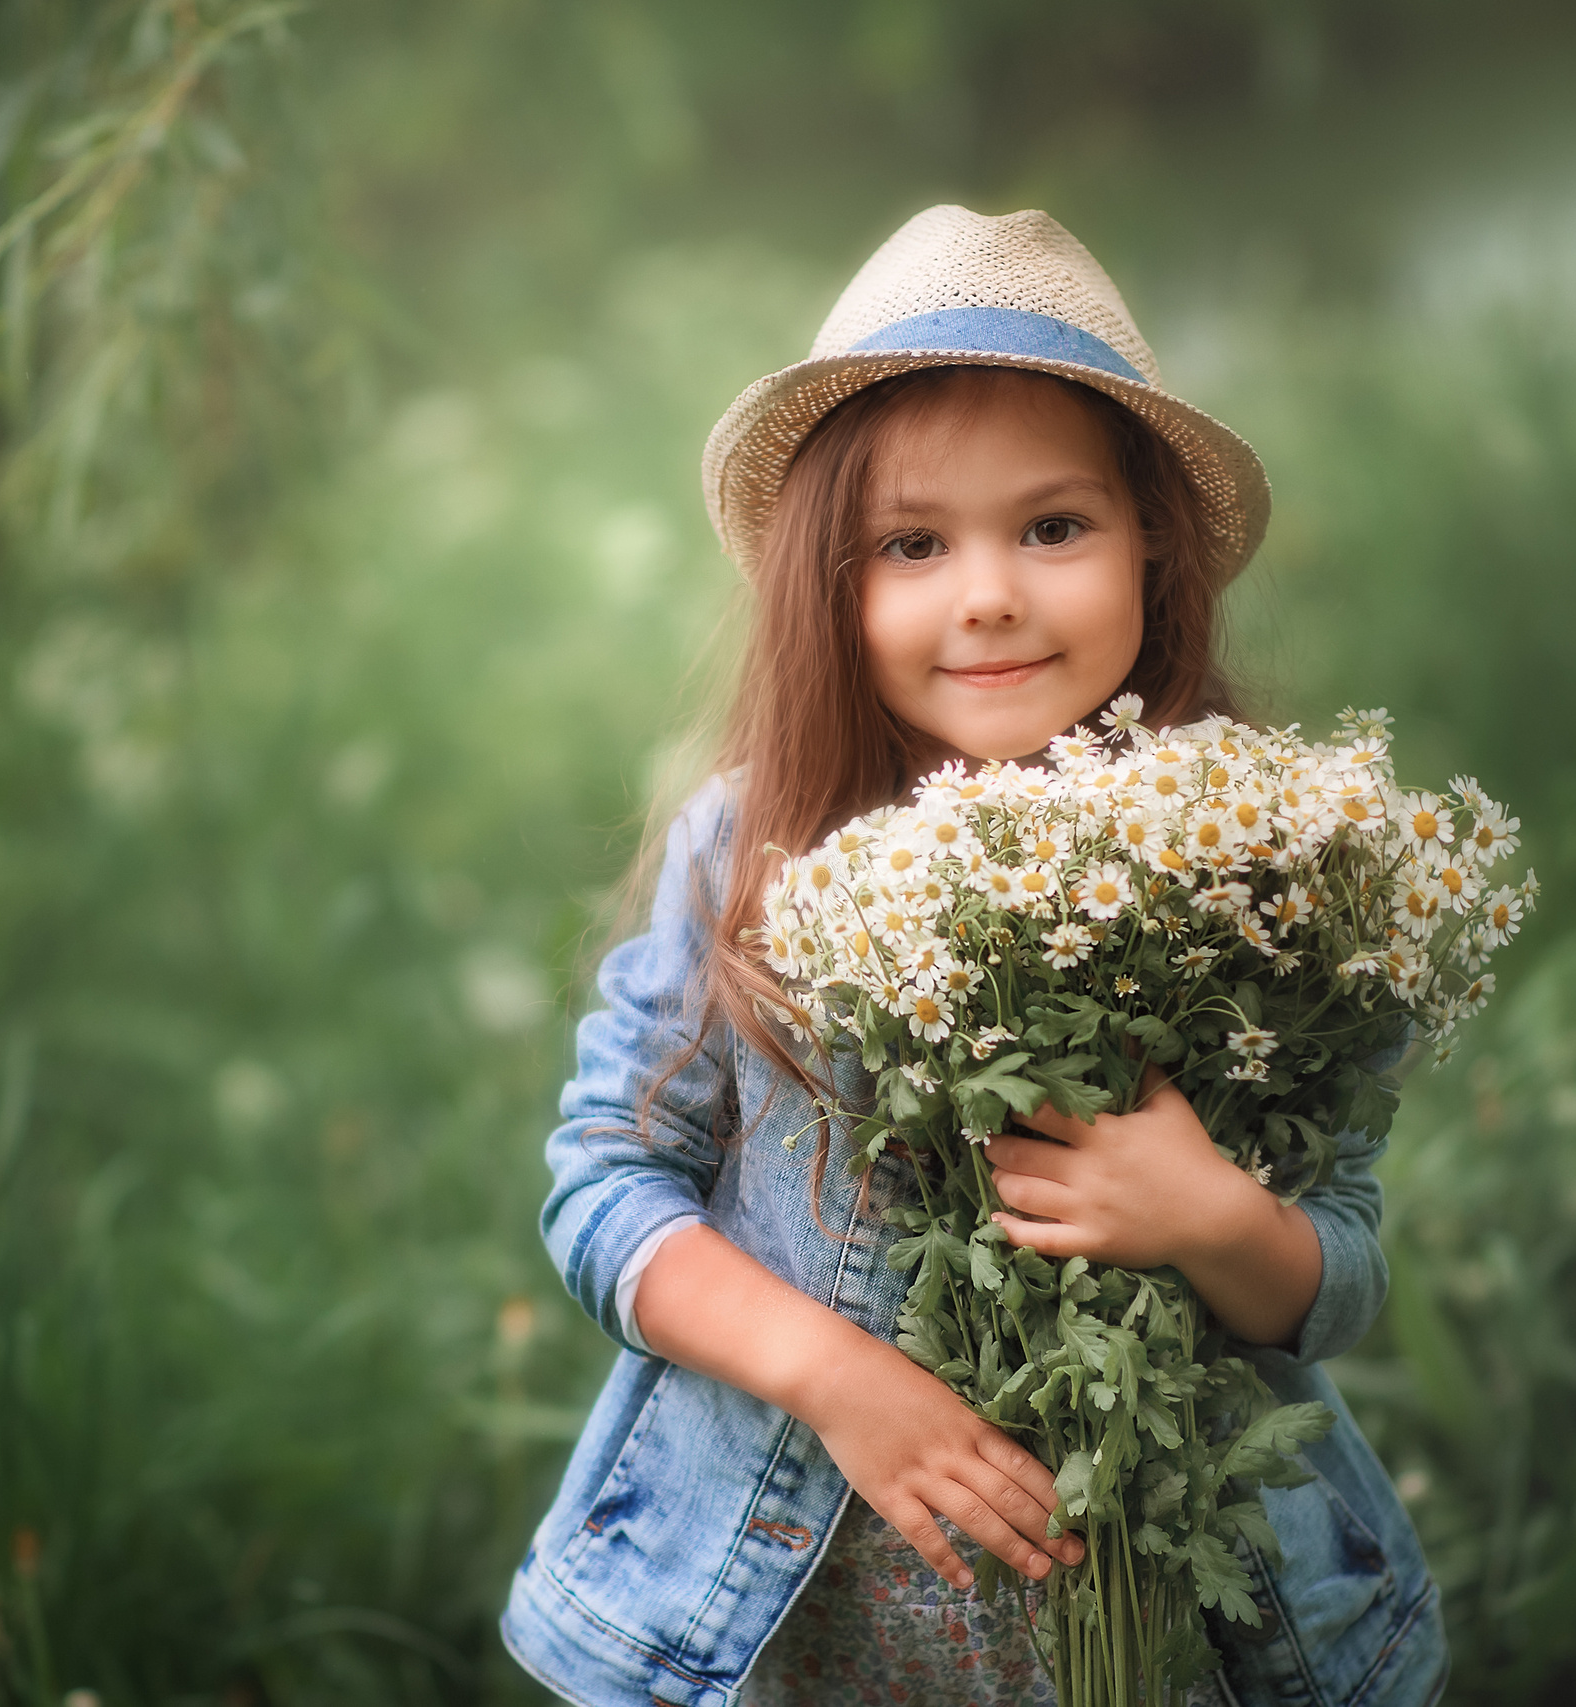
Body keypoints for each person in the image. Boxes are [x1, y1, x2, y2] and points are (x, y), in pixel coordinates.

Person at [500, 206, 1446, 1707]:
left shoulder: (1266, 867)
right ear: (831, 583)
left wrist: (1211, 1216)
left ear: (1152, 546)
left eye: (1053, 528)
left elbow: (1334, 1276)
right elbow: (605, 1183)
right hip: (816, 1628)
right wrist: (836, 1376)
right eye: (913, 544)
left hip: (1164, 1636)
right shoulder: (753, 848)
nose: (989, 592)